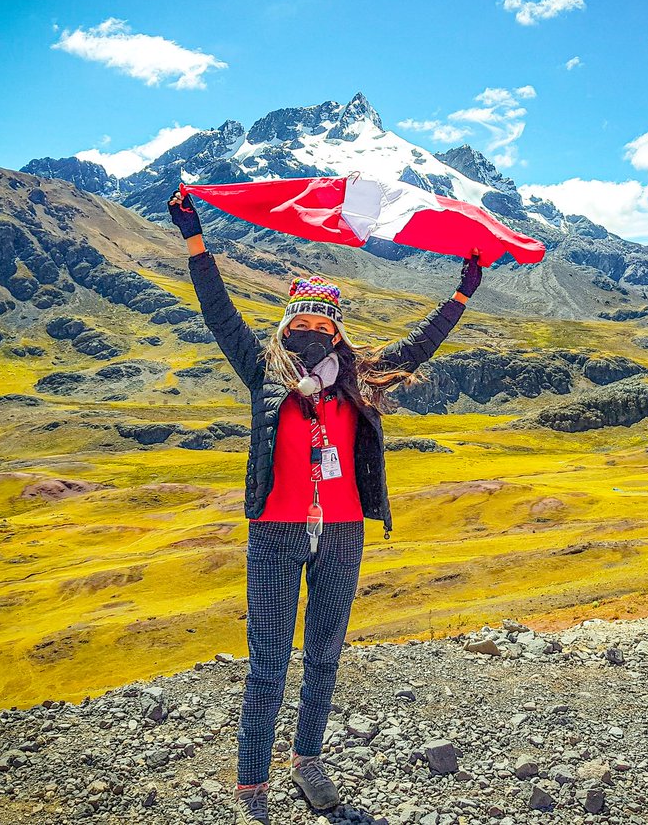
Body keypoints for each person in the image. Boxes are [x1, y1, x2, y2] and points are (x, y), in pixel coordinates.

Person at [168, 190, 482, 824]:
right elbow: (219, 312)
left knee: (325, 655)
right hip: (276, 535)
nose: (312, 333)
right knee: (267, 664)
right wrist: (194, 238)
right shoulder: (264, 371)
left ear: (338, 332)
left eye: (324, 326)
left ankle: (307, 759)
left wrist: (462, 293)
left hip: (341, 534)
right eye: (302, 324)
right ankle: (251, 788)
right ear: (286, 327)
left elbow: (417, 349)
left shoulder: (357, 378)